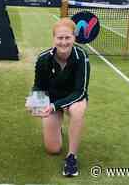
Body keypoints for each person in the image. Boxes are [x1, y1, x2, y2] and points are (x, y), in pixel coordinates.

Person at [28, 18, 90, 177]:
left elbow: (80, 92)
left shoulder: (81, 56)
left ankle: (71, 157)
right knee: (53, 149)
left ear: (74, 38)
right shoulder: (43, 59)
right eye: (60, 38)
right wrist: (35, 102)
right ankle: (59, 129)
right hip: (52, 101)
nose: (63, 42)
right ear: (53, 38)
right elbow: (38, 86)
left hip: (73, 99)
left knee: (78, 110)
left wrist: (56, 106)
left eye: (67, 37)